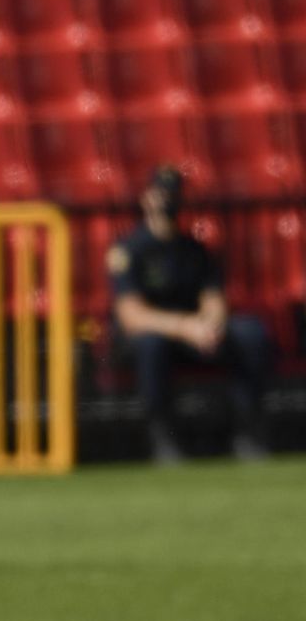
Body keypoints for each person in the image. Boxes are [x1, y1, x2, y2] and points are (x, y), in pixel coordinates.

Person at [108, 164, 272, 462]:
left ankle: (248, 429)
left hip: (194, 334)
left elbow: (213, 298)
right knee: (151, 344)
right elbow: (132, 316)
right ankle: (163, 436)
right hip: (156, 336)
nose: (167, 201)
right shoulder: (129, 250)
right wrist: (185, 326)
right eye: (161, 194)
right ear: (146, 197)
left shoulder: (194, 250)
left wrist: (209, 326)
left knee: (249, 333)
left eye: (172, 194)